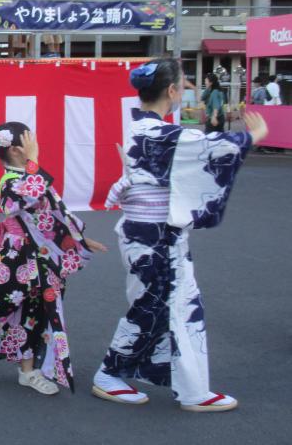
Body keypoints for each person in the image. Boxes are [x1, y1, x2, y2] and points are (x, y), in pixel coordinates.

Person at [93, 58, 267, 411]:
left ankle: (189, 387)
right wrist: (252, 138)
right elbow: (212, 148)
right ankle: (112, 373)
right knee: (160, 306)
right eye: (183, 83)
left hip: (149, 233)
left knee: (172, 306)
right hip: (153, 236)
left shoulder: (145, 129)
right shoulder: (160, 133)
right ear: (171, 91)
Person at [0, 122, 106, 394]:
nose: (36, 144)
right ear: (17, 149)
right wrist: (34, 161)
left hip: (40, 255)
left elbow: (53, 211)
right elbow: (28, 196)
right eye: (30, 141)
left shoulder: (28, 177)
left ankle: (28, 370)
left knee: (35, 313)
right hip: (17, 256)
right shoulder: (10, 182)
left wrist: (77, 236)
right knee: (0, 308)